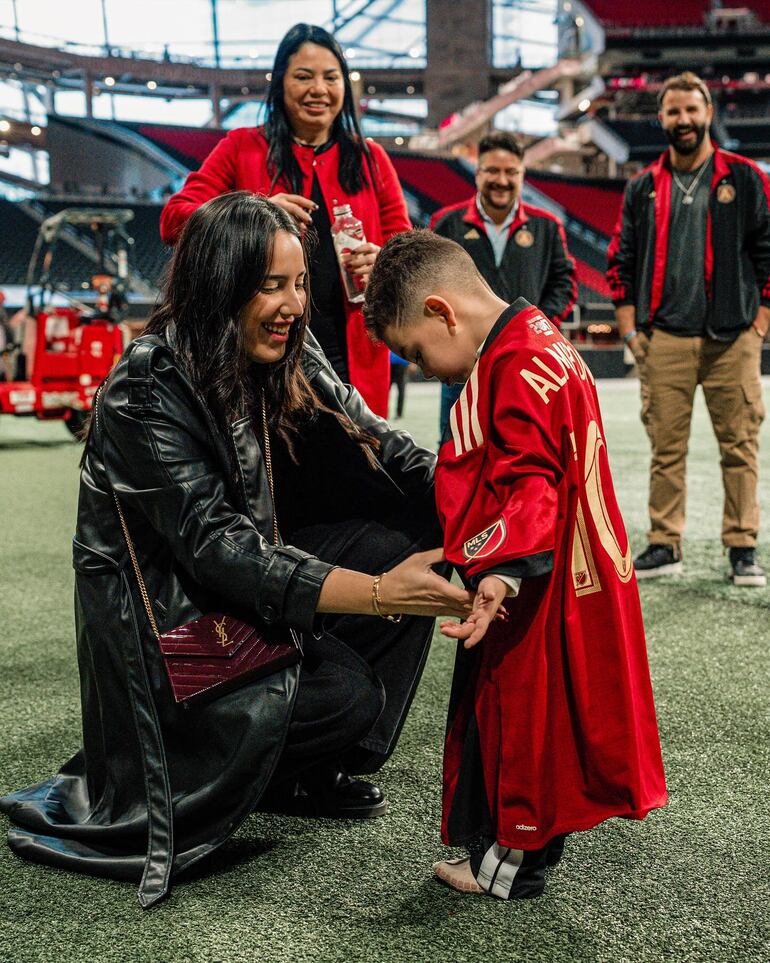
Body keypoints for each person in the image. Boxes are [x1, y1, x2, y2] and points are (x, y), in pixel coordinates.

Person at [0, 194, 472, 908]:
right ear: (219, 282)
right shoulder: (145, 386)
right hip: (170, 636)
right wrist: (381, 595)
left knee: (402, 540)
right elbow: (223, 552)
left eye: (299, 283)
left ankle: (309, 773)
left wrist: (497, 513)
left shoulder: (287, 346)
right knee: (346, 694)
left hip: (235, 594)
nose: (292, 304)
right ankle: (276, 764)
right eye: (269, 284)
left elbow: (381, 440)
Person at [363, 230, 667, 900]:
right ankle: (527, 849)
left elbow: (531, 484)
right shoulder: (539, 333)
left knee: (517, 713)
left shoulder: (509, 364)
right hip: (580, 569)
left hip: (543, 577)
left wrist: (498, 571)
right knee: (551, 716)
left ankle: (507, 865)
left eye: (416, 352)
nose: (426, 369)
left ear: (442, 312)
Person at [160, 22, 410, 418]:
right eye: (303, 76)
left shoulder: (371, 159)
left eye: (331, 77)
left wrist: (384, 259)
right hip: (257, 358)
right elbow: (174, 219)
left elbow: (404, 248)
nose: (319, 89)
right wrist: (254, 213)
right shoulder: (241, 147)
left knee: (351, 466)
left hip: (352, 357)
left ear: (345, 86)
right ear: (279, 84)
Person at [607, 72, 770, 586]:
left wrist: (760, 325)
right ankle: (664, 542)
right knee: (666, 448)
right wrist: (632, 331)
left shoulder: (744, 177)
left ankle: (742, 547)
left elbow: (768, 252)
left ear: (708, 113)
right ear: (661, 118)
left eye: (692, 110)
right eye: (673, 112)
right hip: (666, 338)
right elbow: (621, 260)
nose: (683, 121)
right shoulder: (642, 187)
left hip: (732, 338)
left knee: (739, 446)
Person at [430, 130, 577, 437]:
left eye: (511, 172)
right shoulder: (447, 224)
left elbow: (564, 282)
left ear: (522, 174)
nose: (502, 180)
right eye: (492, 171)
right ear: (477, 172)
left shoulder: (547, 226)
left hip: (527, 360)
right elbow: (429, 285)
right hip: (463, 365)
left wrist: (540, 326)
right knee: (457, 451)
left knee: (524, 447)